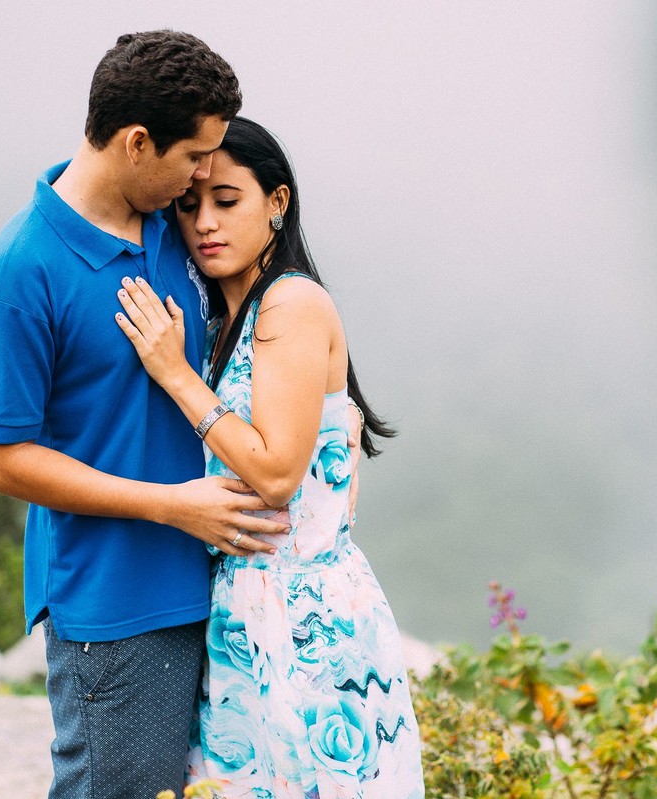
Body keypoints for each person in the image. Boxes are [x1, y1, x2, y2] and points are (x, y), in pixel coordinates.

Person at [0, 31, 298, 798]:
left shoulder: (171, 227)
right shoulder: (19, 271)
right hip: (119, 604)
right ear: (138, 142)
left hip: (216, 583)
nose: (205, 175)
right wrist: (171, 506)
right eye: (193, 157)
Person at [114, 116, 425, 797]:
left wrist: (176, 376)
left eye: (228, 200)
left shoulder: (292, 303)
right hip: (242, 613)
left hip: (305, 620)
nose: (205, 223)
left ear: (276, 203)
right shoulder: (227, 321)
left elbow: (278, 473)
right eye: (190, 205)